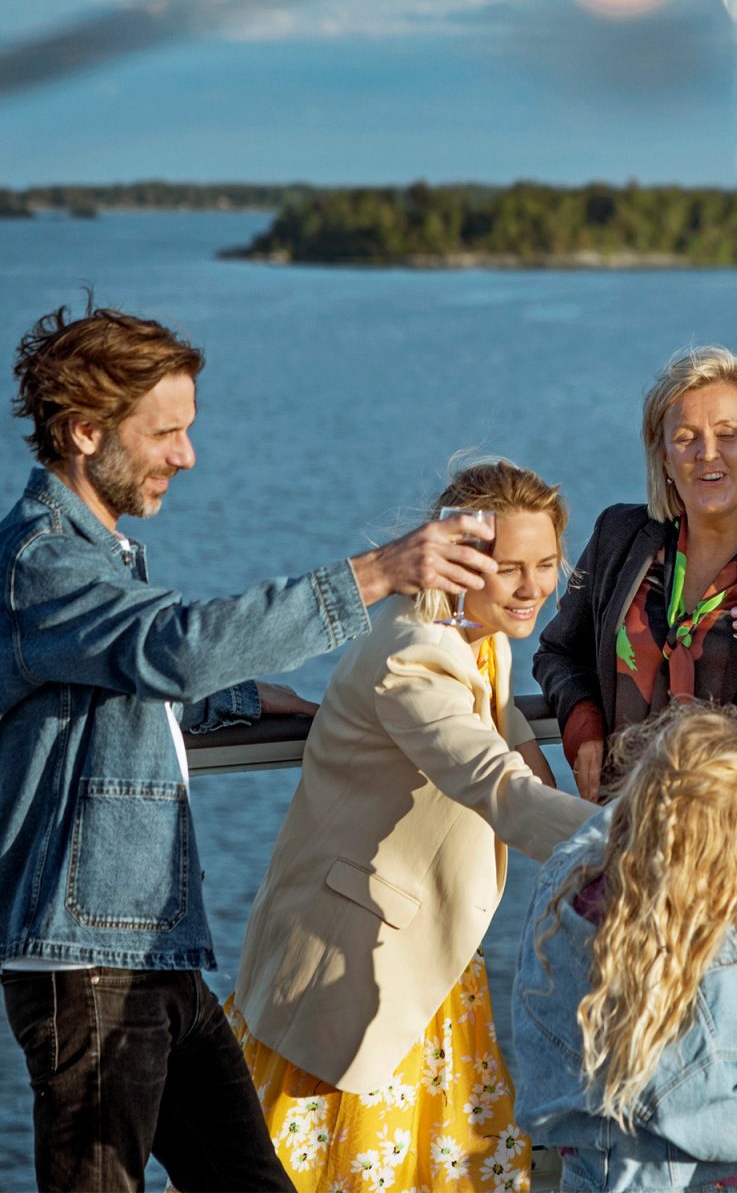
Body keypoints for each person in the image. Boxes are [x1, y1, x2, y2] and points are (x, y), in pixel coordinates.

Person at [0, 301, 496, 1193]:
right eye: (166, 433)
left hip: (153, 952)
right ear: (84, 432)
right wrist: (378, 572)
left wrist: (239, 699)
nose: (187, 455)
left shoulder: (99, 557)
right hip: (88, 969)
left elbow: (121, 683)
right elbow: (171, 647)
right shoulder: (43, 562)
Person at [535, 343, 737, 1192]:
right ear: (661, 454)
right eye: (685, 437)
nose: (707, 454)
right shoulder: (621, 540)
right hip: (639, 880)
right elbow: (558, 651)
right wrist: (582, 726)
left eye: (728, 434)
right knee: (636, 1113)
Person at [227, 459, 599, 1192]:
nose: (532, 588)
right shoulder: (414, 659)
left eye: (546, 565)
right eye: (510, 568)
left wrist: (552, 748)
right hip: (351, 974)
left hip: (425, 963)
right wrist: (638, 842)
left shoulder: (474, 630)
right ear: (459, 559)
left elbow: (504, 736)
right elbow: (494, 785)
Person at [511, 705, 737, 1192]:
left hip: (586, 1172)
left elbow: (599, 830)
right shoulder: (703, 957)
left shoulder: (564, 885)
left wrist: (704, 764)